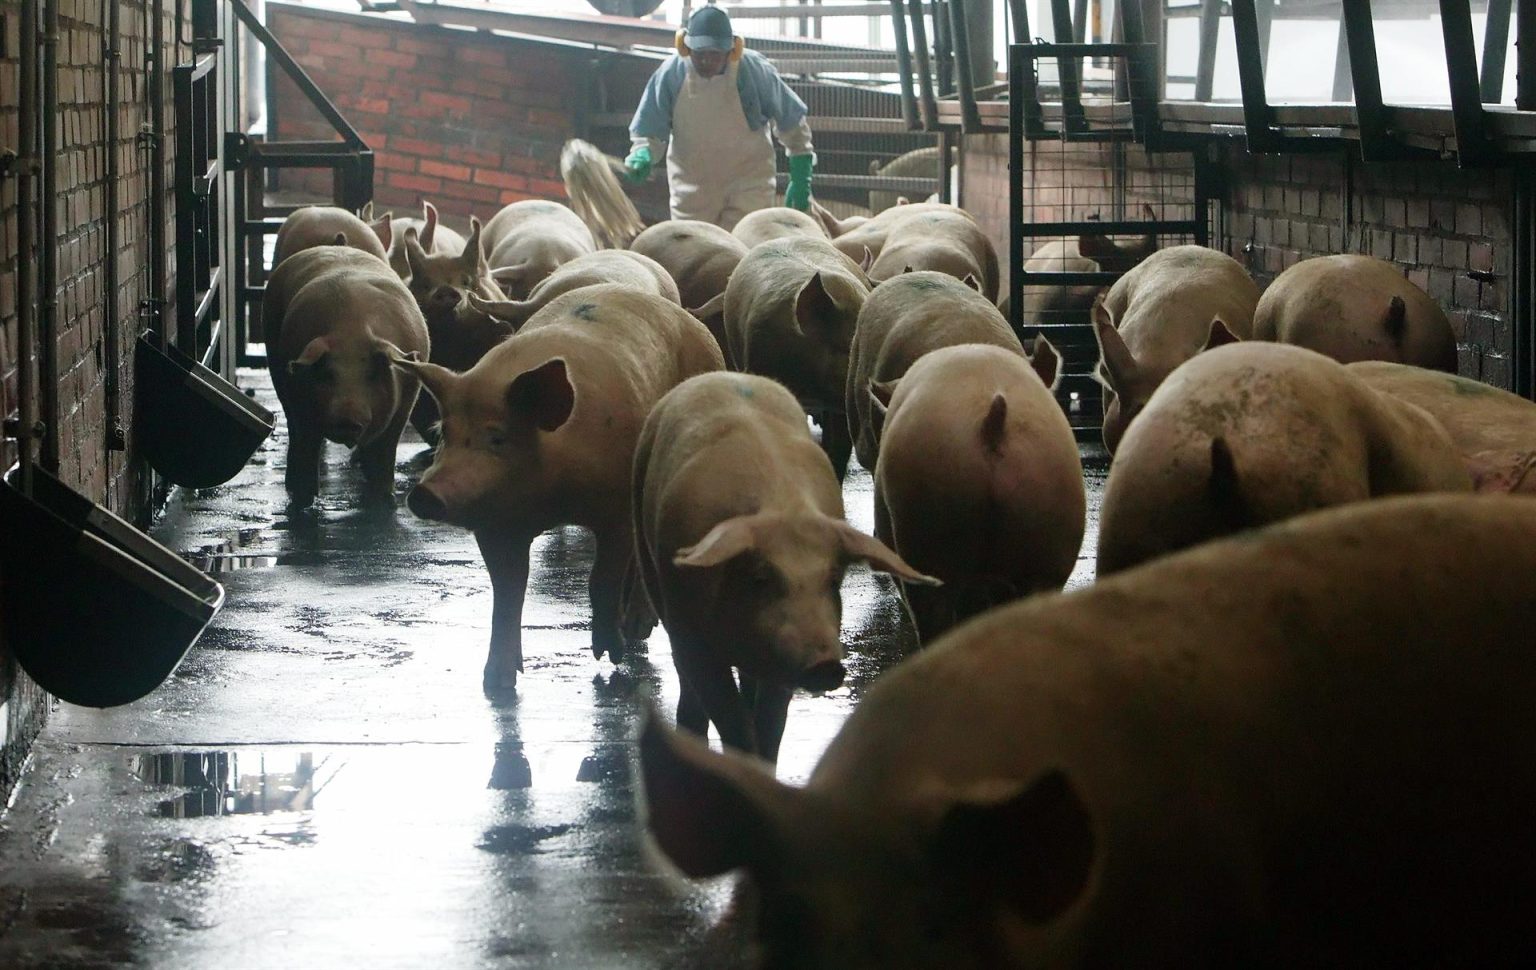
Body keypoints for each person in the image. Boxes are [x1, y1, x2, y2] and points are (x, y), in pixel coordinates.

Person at [625, 4, 816, 231]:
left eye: (714, 55)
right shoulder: (670, 75)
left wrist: (801, 174)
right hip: (692, 190)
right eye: (699, 54)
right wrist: (643, 153)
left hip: (749, 185)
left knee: (746, 248)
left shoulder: (754, 72)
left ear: (733, 49)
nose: (706, 61)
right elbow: (650, 129)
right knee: (693, 254)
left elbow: (792, 123)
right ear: (684, 47)